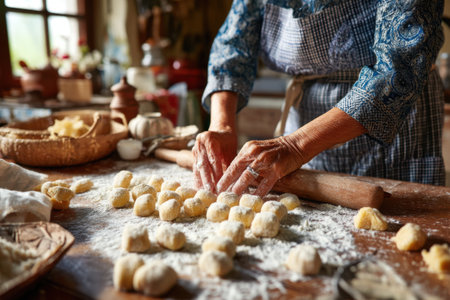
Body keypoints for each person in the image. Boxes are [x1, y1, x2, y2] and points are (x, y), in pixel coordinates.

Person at [193, 0, 445, 196]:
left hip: (392, 124)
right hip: (301, 120)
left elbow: (397, 69)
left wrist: (296, 146)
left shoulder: (293, 146)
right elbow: (233, 46)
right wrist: (221, 125)